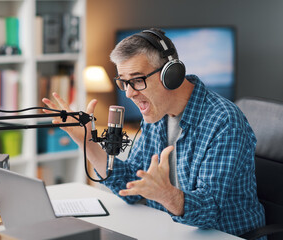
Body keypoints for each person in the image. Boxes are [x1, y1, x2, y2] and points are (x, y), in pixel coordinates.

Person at [42, 28, 265, 238]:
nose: (129, 93)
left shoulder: (223, 121)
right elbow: (131, 185)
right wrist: (87, 144)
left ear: (172, 75)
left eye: (137, 80)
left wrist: (166, 194)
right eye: (123, 82)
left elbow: (209, 211)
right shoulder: (156, 114)